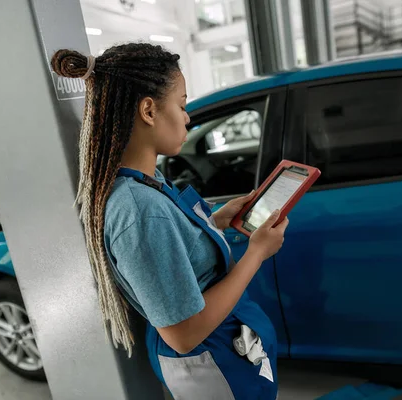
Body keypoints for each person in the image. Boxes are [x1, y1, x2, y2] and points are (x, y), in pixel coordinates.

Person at [51, 43, 289, 399]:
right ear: (148, 110)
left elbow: (175, 246)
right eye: (181, 104)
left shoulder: (145, 180)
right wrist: (256, 253)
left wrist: (216, 221)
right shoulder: (139, 209)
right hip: (212, 364)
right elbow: (183, 334)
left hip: (225, 352)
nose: (188, 117)